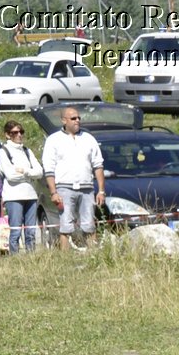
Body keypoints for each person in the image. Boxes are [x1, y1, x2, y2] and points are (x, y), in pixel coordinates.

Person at [41, 106, 105, 251]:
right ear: (64, 120)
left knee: (89, 224)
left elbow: (98, 165)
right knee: (66, 225)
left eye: (78, 118)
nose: (77, 121)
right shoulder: (53, 140)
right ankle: (65, 257)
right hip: (64, 187)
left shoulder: (88, 138)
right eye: (73, 118)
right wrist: (53, 192)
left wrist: (101, 191)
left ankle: (93, 254)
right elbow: (49, 169)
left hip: (87, 187)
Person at [0, 119, 43, 253]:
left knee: (30, 231)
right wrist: (29, 174)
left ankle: (31, 257)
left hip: (31, 195)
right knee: (15, 231)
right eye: (14, 132)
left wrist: (25, 171)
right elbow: (10, 176)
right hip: (13, 196)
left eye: (21, 132)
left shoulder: (27, 151)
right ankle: (15, 259)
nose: (19, 135)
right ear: (7, 134)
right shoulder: (4, 151)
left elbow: (39, 172)